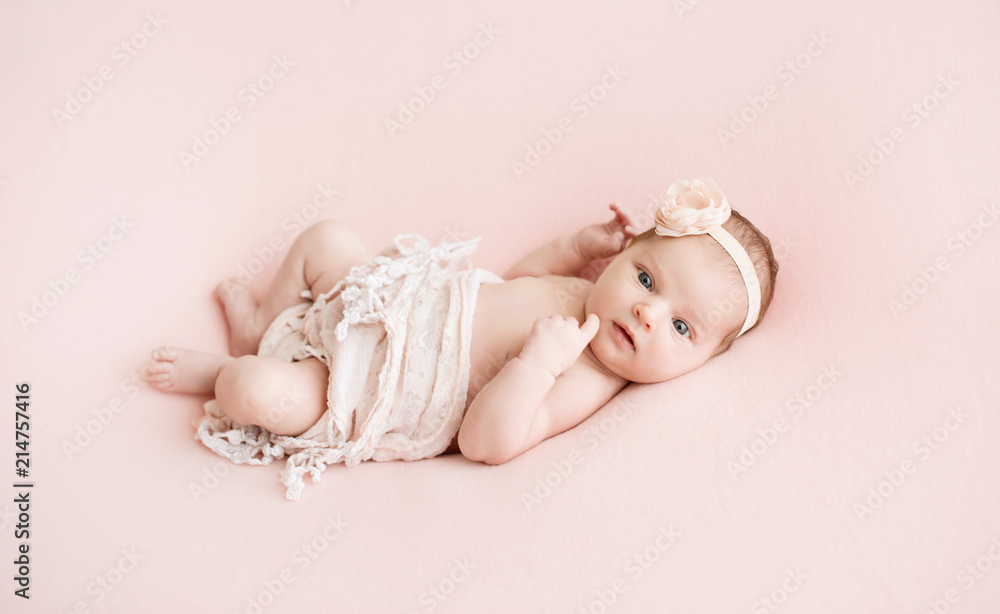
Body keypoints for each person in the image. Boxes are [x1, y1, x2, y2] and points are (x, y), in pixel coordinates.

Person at [142, 178, 779, 499]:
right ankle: (264, 327)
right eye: (645, 277)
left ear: (702, 361)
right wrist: (574, 247)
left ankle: (229, 369)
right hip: (384, 302)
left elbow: (486, 443)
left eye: (680, 327)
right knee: (324, 238)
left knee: (253, 390)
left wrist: (535, 366)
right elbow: (517, 279)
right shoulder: (579, 295)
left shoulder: (587, 375)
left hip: (364, 386)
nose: (646, 313)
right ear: (623, 255)